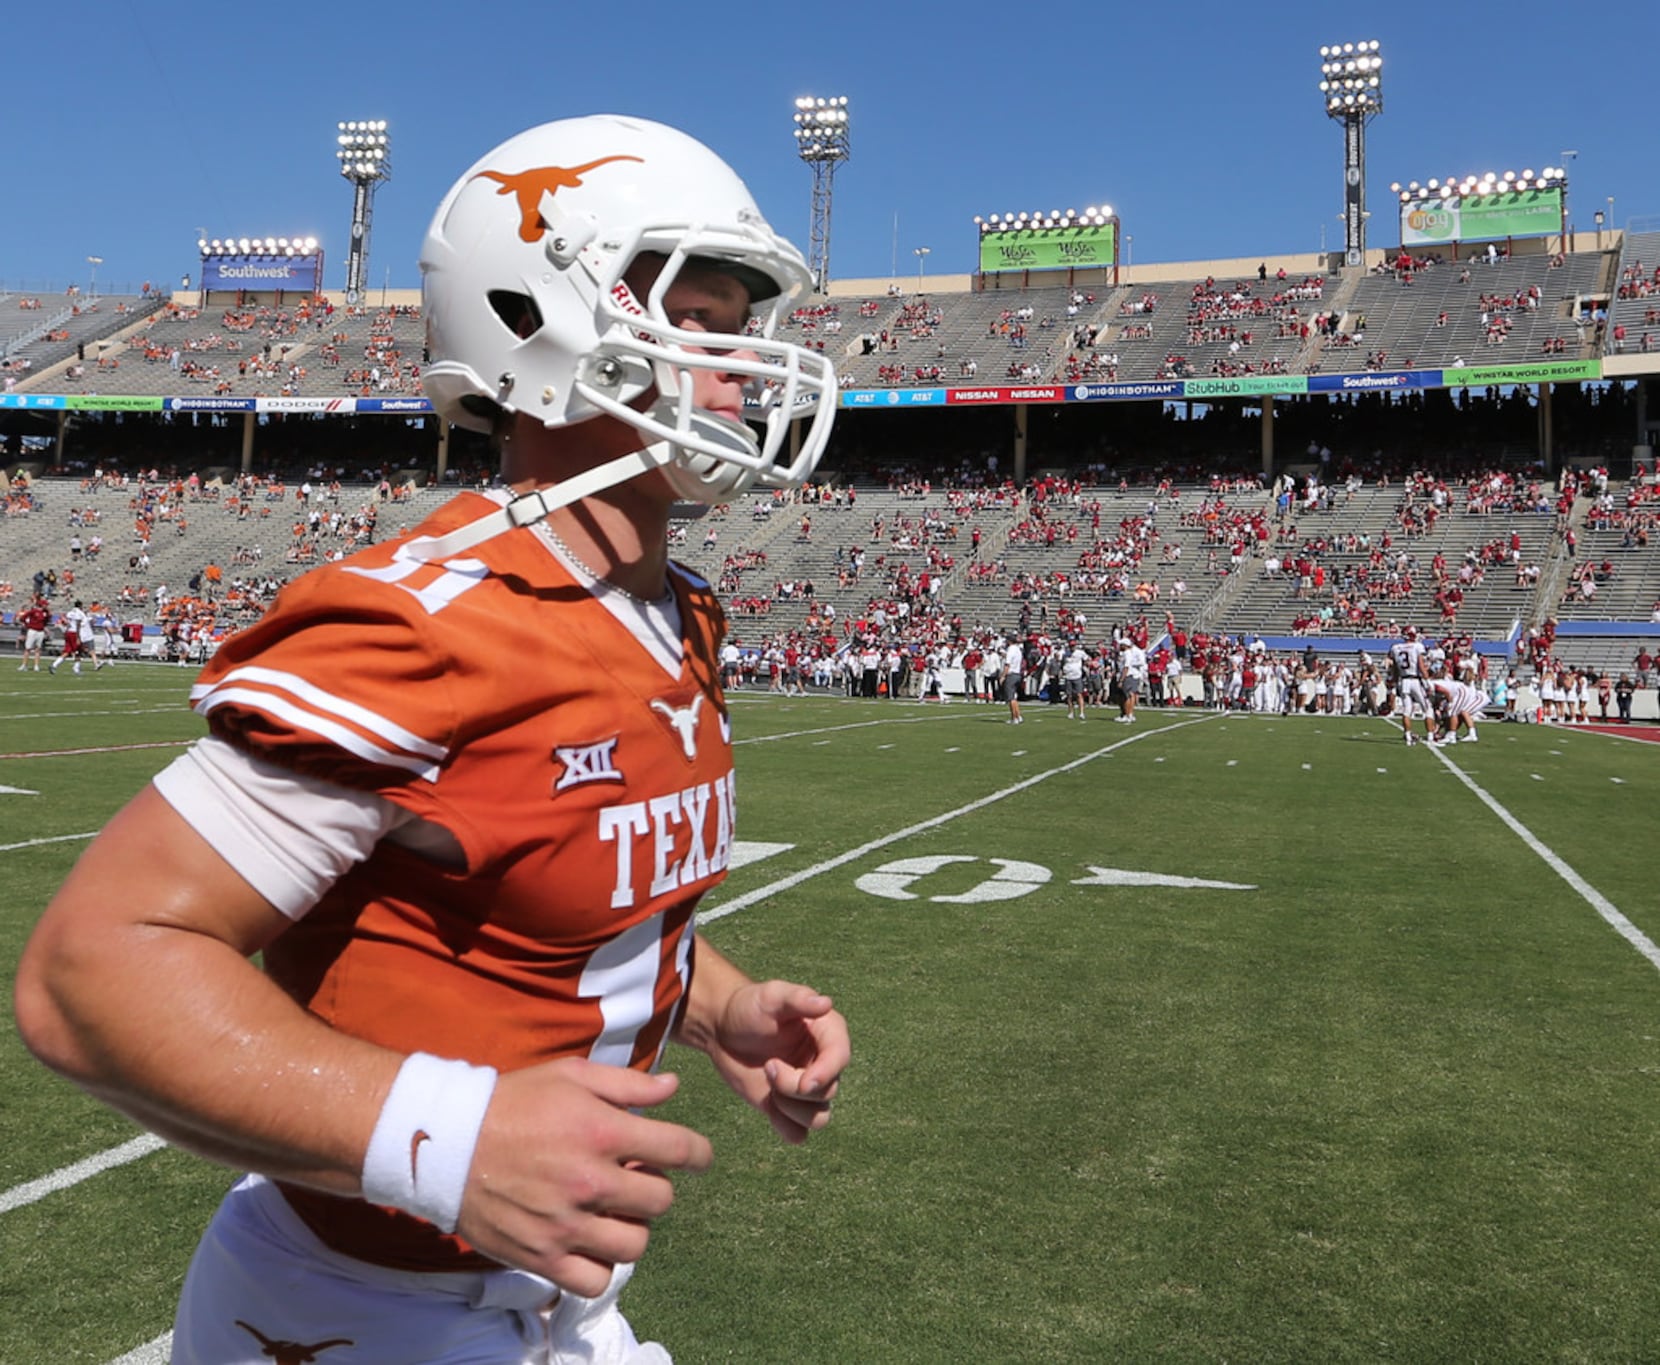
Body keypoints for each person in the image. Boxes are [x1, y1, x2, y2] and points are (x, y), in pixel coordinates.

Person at [16, 115, 848, 1365]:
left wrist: (716, 1002)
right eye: (702, 312)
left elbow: (544, 882)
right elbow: (89, 973)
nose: (742, 360)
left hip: (563, 1302)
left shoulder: (676, 613)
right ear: (546, 314)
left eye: (744, 320)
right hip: (363, 1311)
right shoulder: (428, 624)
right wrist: (446, 1139)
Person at [17, 596, 50, 670]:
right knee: (28, 648)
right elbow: (23, 618)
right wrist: (28, 625)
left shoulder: (46, 613)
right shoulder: (34, 611)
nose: (47, 606)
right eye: (45, 604)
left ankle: (36, 665)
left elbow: (46, 620)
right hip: (32, 630)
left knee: (38, 649)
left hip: (40, 631)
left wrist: (44, 627)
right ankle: (24, 665)